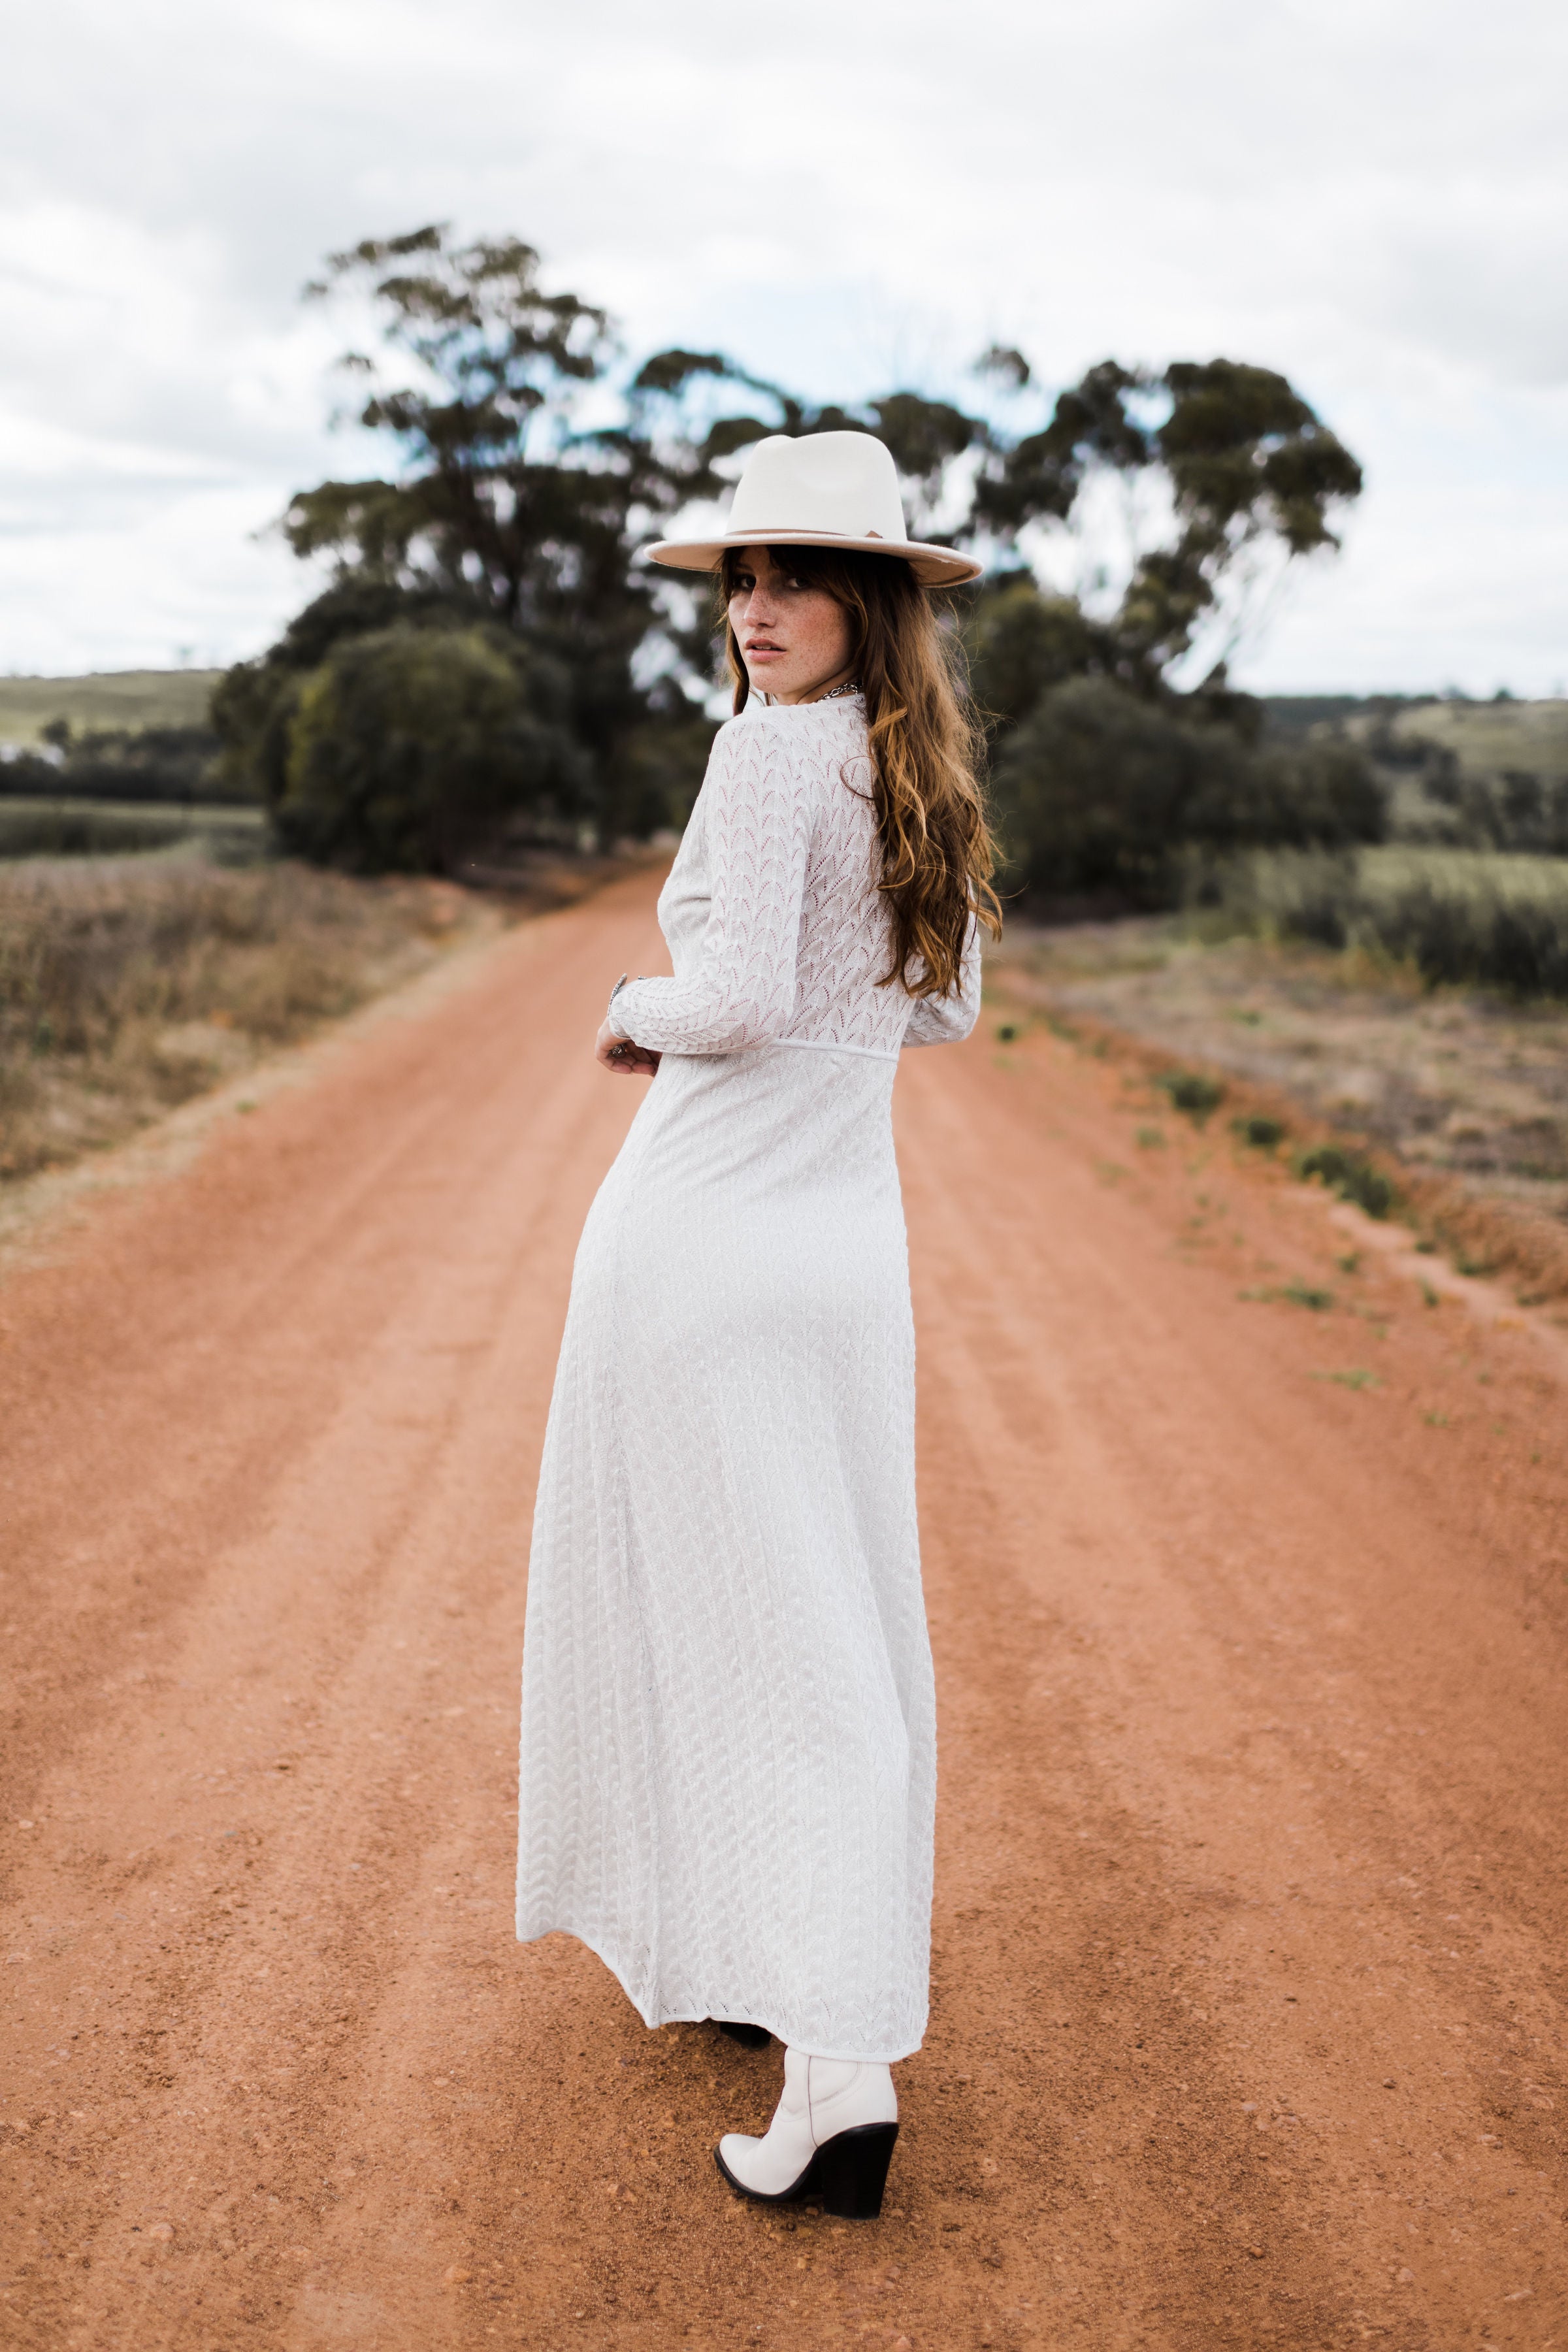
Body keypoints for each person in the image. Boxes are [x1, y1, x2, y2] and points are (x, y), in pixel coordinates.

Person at [515, 431, 999, 2219]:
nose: (756, 609)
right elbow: (933, 1016)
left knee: (745, 1636)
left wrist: (628, 1003)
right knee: (826, 1629)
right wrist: (796, 1020)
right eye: (741, 577)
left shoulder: (772, 753)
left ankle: (839, 2067)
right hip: (841, 1260)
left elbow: (724, 995)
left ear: (869, 598)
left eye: (793, 577)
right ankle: (773, 1969)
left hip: (702, 1247)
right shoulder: (915, 773)